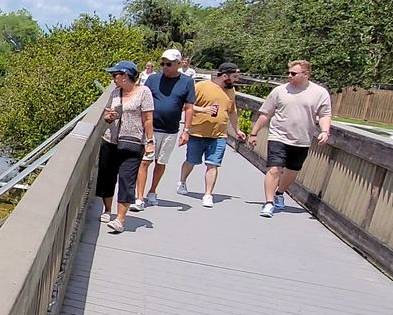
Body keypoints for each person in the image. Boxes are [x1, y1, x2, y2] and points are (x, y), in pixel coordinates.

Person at [252, 59, 333, 218]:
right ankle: (269, 203)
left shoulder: (319, 93)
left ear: (306, 74)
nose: (289, 76)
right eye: (288, 73)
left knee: (292, 171)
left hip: (302, 139)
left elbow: (324, 114)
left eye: (293, 73)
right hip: (278, 136)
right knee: (274, 168)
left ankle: (279, 192)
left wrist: (325, 131)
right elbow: (266, 113)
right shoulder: (279, 91)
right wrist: (254, 133)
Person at [94, 61, 154, 234]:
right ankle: (107, 210)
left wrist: (150, 142)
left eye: (115, 76)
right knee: (106, 176)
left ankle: (120, 219)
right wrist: (109, 117)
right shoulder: (115, 92)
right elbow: (107, 116)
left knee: (127, 179)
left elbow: (148, 119)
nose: (113, 79)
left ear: (125, 76)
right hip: (111, 140)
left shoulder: (143, 92)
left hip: (132, 142)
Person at [136, 49, 195, 209]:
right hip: (151, 128)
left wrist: (186, 131)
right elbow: (141, 101)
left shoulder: (187, 82)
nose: (165, 67)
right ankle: (139, 198)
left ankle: (152, 191)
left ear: (178, 64)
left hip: (171, 130)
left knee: (160, 162)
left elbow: (189, 107)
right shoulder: (153, 80)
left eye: (168, 64)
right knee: (145, 162)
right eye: (162, 64)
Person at [178, 63, 242, 207]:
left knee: (213, 164)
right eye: (234, 76)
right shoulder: (201, 86)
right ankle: (182, 181)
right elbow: (185, 106)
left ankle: (208, 194)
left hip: (219, 135)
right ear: (225, 76)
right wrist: (203, 110)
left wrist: (237, 130)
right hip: (197, 133)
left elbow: (232, 112)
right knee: (191, 161)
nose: (236, 79)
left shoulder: (231, 91)